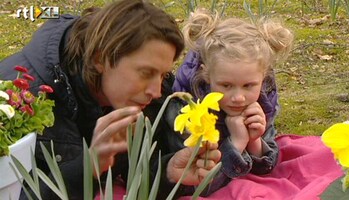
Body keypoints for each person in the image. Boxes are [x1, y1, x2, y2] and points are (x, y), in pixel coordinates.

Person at [0, 1, 221, 199]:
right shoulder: (19, 102)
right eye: (146, 72)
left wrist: (169, 172)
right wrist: (87, 167)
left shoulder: (138, 94)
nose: (156, 90)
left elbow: (135, 174)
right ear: (100, 59)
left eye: (163, 75)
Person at [165, 8, 294, 196]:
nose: (238, 97)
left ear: (263, 77)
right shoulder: (187, 109)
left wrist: (255, 142)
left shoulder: (262, 99)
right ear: (207, 75)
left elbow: (267, 167)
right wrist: (236, 143)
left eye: (248, 85)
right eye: (226, 85)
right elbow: (198, 184)